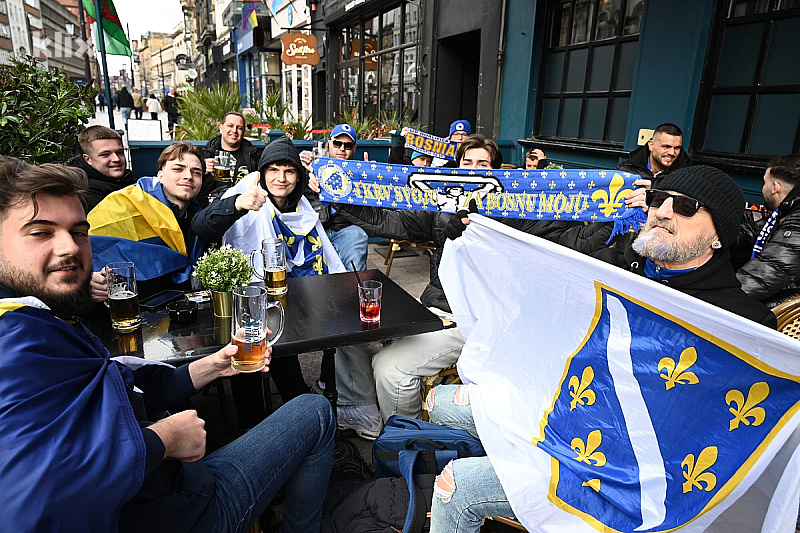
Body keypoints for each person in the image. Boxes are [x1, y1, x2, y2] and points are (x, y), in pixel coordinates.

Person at [426, 165, 776, 533]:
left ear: (719, 236)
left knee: (456, 485)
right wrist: (477, 236)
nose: (663, 211)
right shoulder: (622, 270)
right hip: (564, 407)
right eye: (658, 199)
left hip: (622, 473)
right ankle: (511, 471)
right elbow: (537, 274)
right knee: (440, 403)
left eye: (687, 206)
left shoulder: (742, 326)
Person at [0, 157, 335, 532]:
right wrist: (162, 440)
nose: (70, 248)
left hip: (174, 489)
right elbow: (29, 508)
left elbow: (120, 395)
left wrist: (212, 366)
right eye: (40, 233)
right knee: (316, 411)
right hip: (184, 513)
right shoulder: (15, 344)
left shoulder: (44, 319)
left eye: (79, 232)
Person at [338, 134, 613, 423]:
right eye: (467, 162)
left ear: (496, 171)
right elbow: (389, 221)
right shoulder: (443, 206)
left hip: (485, 320)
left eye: (483, 163)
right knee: (351, 330)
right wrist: (344, 196)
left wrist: (616, 209)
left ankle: (405, 444)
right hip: (436, 311)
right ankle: (377, 421)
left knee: (389, 367)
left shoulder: (519, 208)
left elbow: (576, 240)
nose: (473, 168)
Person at [196, 135, 347, 423]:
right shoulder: (248, 192)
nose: (281, 178)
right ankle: (254, 432)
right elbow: (202, 227)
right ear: (262, 172)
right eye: (273, 170)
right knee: (251, 369)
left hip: (289, 300)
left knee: (285, 360)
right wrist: (238, 204)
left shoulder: (303, 206)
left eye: (289, 171)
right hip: (247, 301)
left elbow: (325, 252)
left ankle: (307, 426)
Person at [88, 142, 240, 299]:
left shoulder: (199, 216)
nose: (188, 176)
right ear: (160, 175)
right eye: (178, 169)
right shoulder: (123, 204)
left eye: (196, 172)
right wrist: (89, 279)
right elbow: (89, 247)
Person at [300, 123, 370, 272]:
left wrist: (371, 180)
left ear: (354, 148)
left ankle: (354, 293)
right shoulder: (312, 166)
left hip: (345, 228)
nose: (342, 149)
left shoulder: (361, 171)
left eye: (348, 145)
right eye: (337, 144)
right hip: (315, 226)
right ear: (328, 144)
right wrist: (301, 169)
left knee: (358, 238)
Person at [735, 154, 800, 306]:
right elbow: (753, 231)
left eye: (765, 183)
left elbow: (765, 274)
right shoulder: (786, 212)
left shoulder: (796, 220)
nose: (763, 188)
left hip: (788, 315)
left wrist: (714, 298)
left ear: (775, 188)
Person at [72, 125, 138, 212]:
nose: (116, 159)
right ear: (88, 159)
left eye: (120, 152)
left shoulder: (128, 179)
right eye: (105, 155)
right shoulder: (89, 194)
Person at [201, 111, 261, 204]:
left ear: (243, 132)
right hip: (212, 207)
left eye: (239, 128)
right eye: (230, 126)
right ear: (221, 128)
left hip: (243, 207)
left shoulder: (252, 156)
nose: (234, 131)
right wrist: (201, 168)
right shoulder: (207, 154)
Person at [616, 123, 691, 186]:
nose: (672, 152)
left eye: (677, 148)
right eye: (666, 147)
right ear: (651, 145)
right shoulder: (626, 171)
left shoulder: (685, 178)